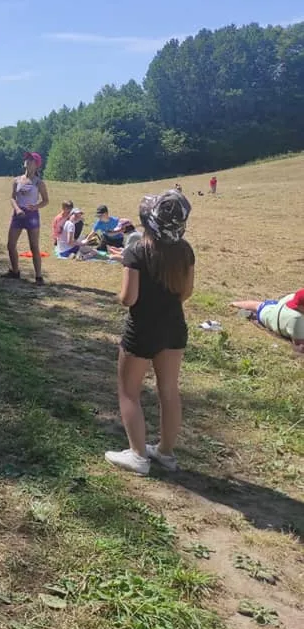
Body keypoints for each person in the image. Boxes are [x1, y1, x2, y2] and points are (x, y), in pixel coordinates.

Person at [105, 190, 195, 476]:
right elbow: (186, 292)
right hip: (174, 329)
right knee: (169, 391)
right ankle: (166, 453)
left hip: (141, 331)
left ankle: (138, 455)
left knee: (129, 391)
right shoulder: (185, 251)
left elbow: (129, 298)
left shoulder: (136, 251)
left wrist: (120, 294)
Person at [2, 151, 50, 285]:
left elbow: (46, 200)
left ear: (37, 165)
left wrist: (36, 207)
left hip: (31, 216)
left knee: (34, 246)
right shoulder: (17, 180)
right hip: (18, 214)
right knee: (11, 245)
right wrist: (17, 209)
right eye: (27, 159)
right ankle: (15, 272)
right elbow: (12, 197)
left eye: (31, 160)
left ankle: (39, 277)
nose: (27, 161)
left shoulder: (39, 183)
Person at [229, 290, 304, 355]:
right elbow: (299, 344)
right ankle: (234, 304)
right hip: (267, 314)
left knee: (259, 304)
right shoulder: (296, 319)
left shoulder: (292, 298)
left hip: (275, 306)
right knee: (260, 306)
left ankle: (234, 303)